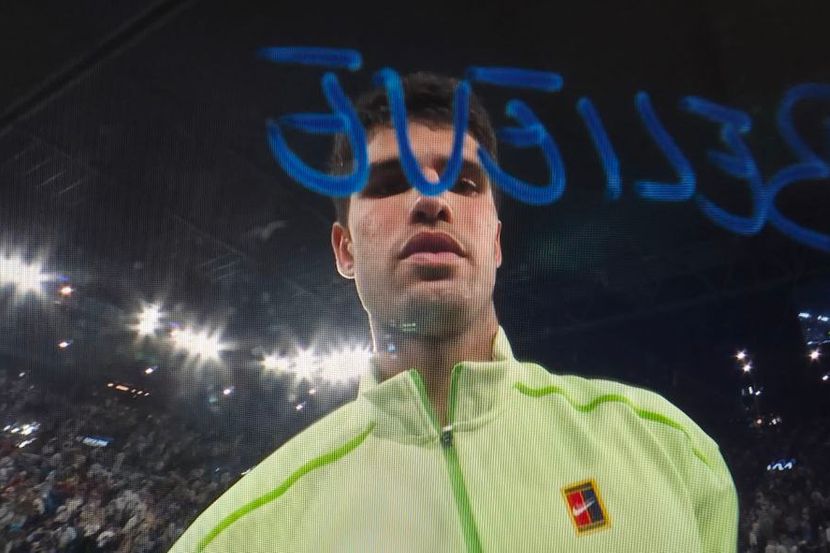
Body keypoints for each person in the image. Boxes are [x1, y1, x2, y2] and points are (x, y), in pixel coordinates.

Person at [169, 72, 739, 552]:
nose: (430, 201)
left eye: (461, 182)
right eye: (389, 183)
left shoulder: (668, 453)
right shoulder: (240, 537)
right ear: (345, 251)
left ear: (495, 241)